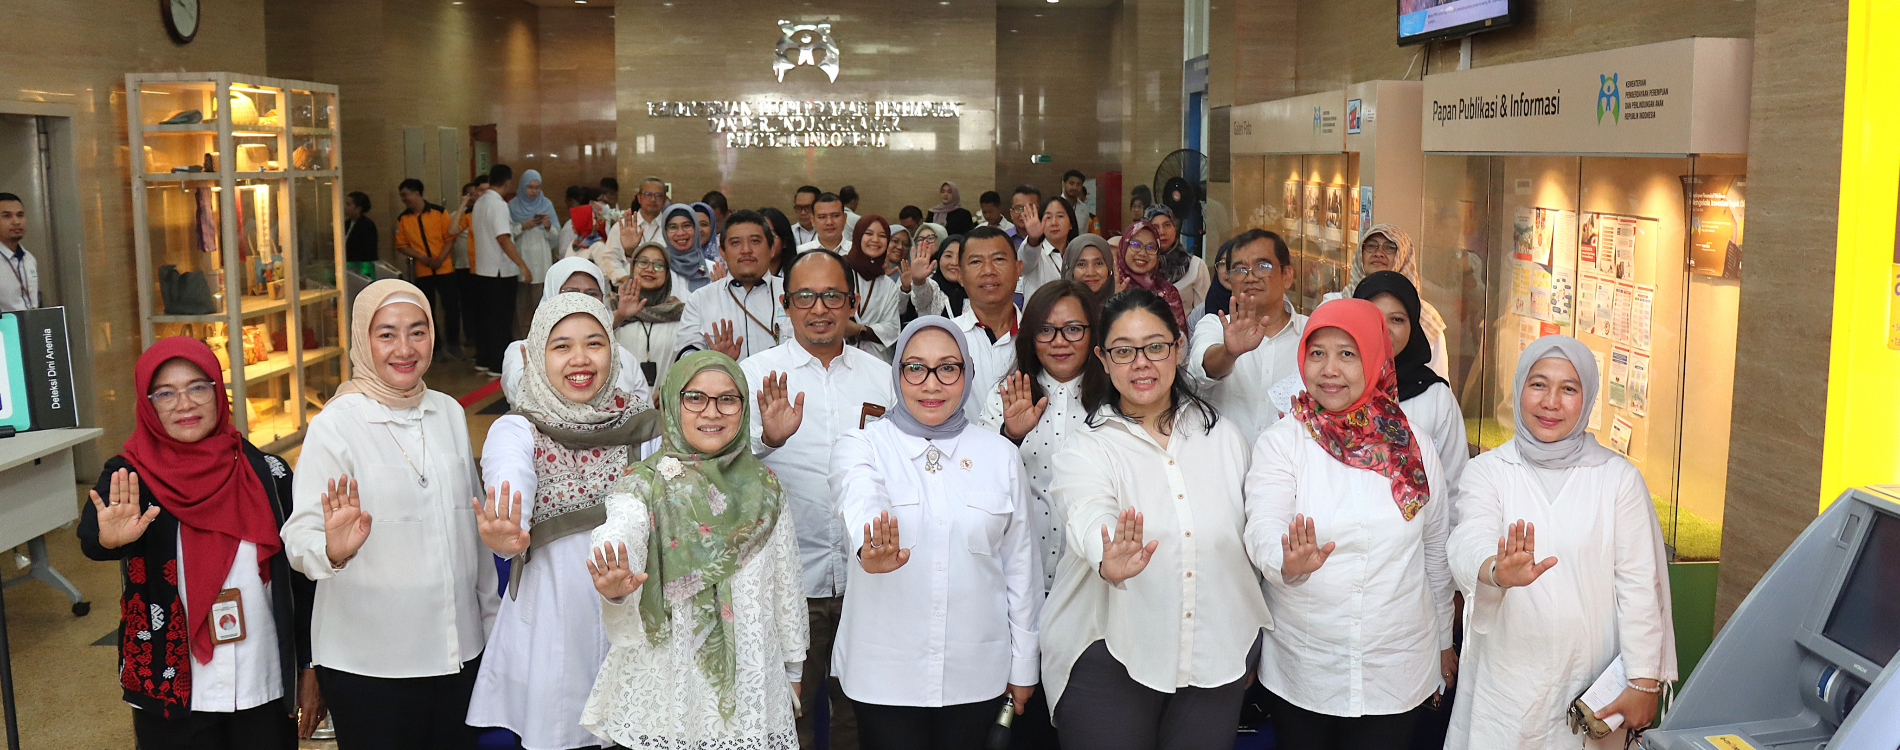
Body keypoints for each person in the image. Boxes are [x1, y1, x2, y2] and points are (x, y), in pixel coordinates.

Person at [1043, 289, 1270, 750]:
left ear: (1179, 348)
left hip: (1216, 649)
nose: (1141, 363)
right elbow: (1087, 510)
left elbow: (1253, 537)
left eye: (1155, 346)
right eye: (1124, 351)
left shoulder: (1224, 439)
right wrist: (1106, 554)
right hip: (1108, 648)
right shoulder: (1086, 448)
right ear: (1103, 360)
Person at [282, 280, 498, 749]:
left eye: (417, 332)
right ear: (363, 340)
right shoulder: (336, 425)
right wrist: (331, 551)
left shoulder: (447, 412)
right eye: (386, 335)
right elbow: (299, 537)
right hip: (371, 664)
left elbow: (472, 528)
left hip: (458, 651)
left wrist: (491, 625)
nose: (404, 349)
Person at [78, 337, 320, 748]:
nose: (184, 404)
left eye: (197, 387)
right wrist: (109, 539)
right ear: (147, 404)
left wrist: (309, 664)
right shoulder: (129, 476)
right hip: (169, 687)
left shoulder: (267, 472)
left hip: (260, 678)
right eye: (165, 393)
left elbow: (301, 580)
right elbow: (92, 538)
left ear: (218, 392)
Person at [1445, 337, 1676, 750]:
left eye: (1568, 388)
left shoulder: (1617, 479)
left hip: (1587, 684)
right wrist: (1496, 570)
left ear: (1587, 399)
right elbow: (1468, 539)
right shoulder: (1489, 472)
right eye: (1538, 384)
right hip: (1505, 685)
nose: (1550, 402)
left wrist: (1644, 682)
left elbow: (1641, 587)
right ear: (1518, 388)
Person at [1244, 298, 1453, 750]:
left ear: (1376, 357)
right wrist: (1285, 560)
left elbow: (1435, 548)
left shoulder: (1413, 446)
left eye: (1347, 353)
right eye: (1317, 353)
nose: (1329, 369)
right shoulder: (1282, 443)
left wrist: (1443, 639)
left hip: (1395, 666)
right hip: (1306, 667)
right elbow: (1263, 522)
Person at [579, 351, 808, 749]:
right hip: (670, 679)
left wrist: (793, 668)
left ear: (743, 408)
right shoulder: (644, 484)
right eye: (695, 398)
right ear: (671, 403)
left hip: (751, 676)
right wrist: (614, 570)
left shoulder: (765, 487)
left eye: (727, 399)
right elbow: (622, 527)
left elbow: (785, 582)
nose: (712, 412)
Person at [831, 316, 1040, 749]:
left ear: (967, 374)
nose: (932, 384)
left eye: (947, 368)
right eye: (915, 368)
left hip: (977, 673)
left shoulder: (999, 455)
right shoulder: (863, 444)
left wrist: (1024, 667)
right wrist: (872, 543)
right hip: (885, 675)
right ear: (897, 373)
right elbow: (859, 494)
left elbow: (1021, 568)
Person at [467, 293, 662, 750]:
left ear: (613, 350)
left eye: (594, 343)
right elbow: (510, 479)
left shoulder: (645, 426)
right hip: (553, 621)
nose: (580, 359)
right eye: (561, 346)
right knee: (560, 732)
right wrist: (508, 530)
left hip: (635, 614)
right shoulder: (519, 428)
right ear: (537, 354)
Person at [740, 248, 895, 750]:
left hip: (865, 578)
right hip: (787, 579)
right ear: (785, 304)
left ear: (852, 303)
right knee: (790, 716)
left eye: (832, 295)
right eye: (805, 296)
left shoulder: (883, 378)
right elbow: (722, 464)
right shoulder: (753, 376)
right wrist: (769, 440)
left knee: (861, 713)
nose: (820, 308)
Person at [975, 280, 1100, 749]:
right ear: (1030, 336)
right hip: (1022, 585)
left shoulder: (1114, 399)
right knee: (1024, 717)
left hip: (1093, 587)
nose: (1060, 341)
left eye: (1073, 329)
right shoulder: (1007, 394)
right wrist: (1010, 436)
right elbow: (979, 486)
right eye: (1046, 330)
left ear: (1093, 334)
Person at [1351, 271, 1468, 516]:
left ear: (1413, 325)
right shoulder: (1333, 389)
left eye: (1397, 319)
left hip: (1419, 535)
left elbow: (1454, 487)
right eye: (1373, 316)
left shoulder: (1435, 397)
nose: (1385, 329)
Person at [1187, 229, 1307, 442]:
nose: (1250, 277)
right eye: (1240, 270)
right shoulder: (1215, 325)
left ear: (1287, 276)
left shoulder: (1312, 334)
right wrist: (1228, 353)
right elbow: (1198, 373)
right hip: (1224, 460)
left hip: (1289, 460)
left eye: (1262, 267)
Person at [501, 257, 654, 408]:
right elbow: (514, 389)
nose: (581, 300)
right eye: (570, 292)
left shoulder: (622, 356)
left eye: (592, 294)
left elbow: (644, 412)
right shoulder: (523, 351)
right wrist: (531, 382)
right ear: (551, 293)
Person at [904, 226, 1022, 420]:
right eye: (976, 262)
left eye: (999, 259)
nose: (988, 270)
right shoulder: (944, 339)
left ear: (1018, 269)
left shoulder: (1041, 338)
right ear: (959, 275)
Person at [1324, 224, 1450, 379]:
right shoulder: (1333, 305)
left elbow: (1438, 376)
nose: (1378, 253)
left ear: (1404, 256)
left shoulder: (1426, 317)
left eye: (1390, 247)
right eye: (1371, 246)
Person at [674, 210, 789, 362]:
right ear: (722, 252)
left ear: (772, 248)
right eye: (735, 243)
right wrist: (714, 361)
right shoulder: (700, 299)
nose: (746, 250)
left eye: (755, 241)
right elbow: (684, 356)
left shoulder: (791, 293)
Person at [471, 164, 532, 374]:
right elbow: (503, 238)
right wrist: (522, 265)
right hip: (499, 271)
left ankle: (483, 359)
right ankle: (497, 364)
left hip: (482, 269)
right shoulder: (498, 205)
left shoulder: (480, 202)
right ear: (507, 181)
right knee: (501, 319)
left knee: (485, 318)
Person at [395, 179, 463, 362]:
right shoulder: (403, 218)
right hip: (423, 271)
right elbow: (401, 245)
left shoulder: (439, 212)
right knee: (426, 311)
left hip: (444, 268)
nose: (403, 199)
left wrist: (440, 258)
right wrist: (421, 257)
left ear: (416, 193)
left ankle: (454, 344)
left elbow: (450, 237)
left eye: (405, 194)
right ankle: (435, 347)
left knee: (451, 307)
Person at [616, 240, 687, 389]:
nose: (650, 269)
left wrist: (666, 392)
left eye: (658, 265)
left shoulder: (680, 313)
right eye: (643, 262)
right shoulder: (613, 309)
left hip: (663, 399)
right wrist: (621, 315)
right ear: (632, 267)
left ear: (667, 273)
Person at [842, 215, 903, 360]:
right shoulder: (840, 271)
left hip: (875, 360)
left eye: (882, 236)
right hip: (839, 357)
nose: (875, 240)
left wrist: (859, 330)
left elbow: (893, 328)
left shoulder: (887, 284)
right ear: (858, 236)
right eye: (869, 234)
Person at [511, 170, 561, 333]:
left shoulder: (546, 204)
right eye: (530, 187)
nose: (534, 191)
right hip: (520, 261)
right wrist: (522, 226)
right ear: (522, 186)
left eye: (537, 187)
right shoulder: (512, 206)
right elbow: (506, 235)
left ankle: (541, 337)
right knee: (519, 305)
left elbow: (556, 235)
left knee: (540, 305)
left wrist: (547, 226)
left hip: (541, 262)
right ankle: (519, 338)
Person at [1114, 221, 1188, 332]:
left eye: (1151, 247)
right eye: (1136, 245)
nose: (1143, 253)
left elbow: (1179, 337)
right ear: (1124, 247)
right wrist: (1113, 301)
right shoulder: (1110, 285)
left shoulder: (1167, 291)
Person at [1145, 206, 1212, 316]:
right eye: (1155, 227)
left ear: (1175, 228)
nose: (1162, 232)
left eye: (1167, 225)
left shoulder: (1195, 265)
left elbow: (1203, 314)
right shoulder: (1139, 265)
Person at [450, 181, 482, 357]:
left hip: (481, 267)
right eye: (469, 194)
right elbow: (452, 231)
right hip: (463, 266)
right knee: (466, 304)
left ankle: (480, 337)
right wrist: (463, 204)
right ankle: (470, 336)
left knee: (479, 305)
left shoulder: (483, 213)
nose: (472, 197)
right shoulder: (459, 215)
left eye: (475, 194)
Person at [1020, 196, 1077, 293]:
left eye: (1060, 216)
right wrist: (1033, 239)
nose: (1054, 223)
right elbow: (1026, 260)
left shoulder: (1078, 253)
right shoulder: (1036, 254)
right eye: (1048, 218)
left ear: (1071, 224)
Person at [658, 202, 713, 292]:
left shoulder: (713, 269)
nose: (680, 233)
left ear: (695, 229)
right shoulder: (658, 268)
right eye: (673, 227)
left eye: (686, 225)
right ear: (665, 232)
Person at [0, 192, 38, 311]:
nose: (16, 222)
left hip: (31, 321)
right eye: (7, 216)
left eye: (20, 215)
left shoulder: (29, 259)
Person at [610, 176, 668, 254]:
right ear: (639, 198)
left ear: (664, 200)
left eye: (658, 195)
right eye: (648, 194)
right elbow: (609, 258)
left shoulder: (670, 226)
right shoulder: (622, 226)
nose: (653, 199)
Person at [1060, 234, 1115, 310]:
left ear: (1109, 266)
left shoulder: (1123, 309)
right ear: (1070, 269)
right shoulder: (1056, 310)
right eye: (1081, 264)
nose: (1090, 273)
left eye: (1098, 263)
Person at [343, 191, 378, 276]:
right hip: (348, 266)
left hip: (361, 267)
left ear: (358, 209)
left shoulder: (367, 225)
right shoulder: (346, 223)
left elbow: (368, 250)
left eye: (348, 204)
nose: (344, 207)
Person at [1062, 170, 1097, 236]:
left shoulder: (1084, 209)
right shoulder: (1054, 205)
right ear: (1064, 184)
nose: (1075, 187)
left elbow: (1084, 233)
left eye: (1078, 184)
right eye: (1071, 183)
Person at [692, 201, 723, 268]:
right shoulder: (674, 259)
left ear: (712, 227)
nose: (699, 230)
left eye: (704, 224)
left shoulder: (724, 257)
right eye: (694, 225)